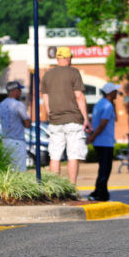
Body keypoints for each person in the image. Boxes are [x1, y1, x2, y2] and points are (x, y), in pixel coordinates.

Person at [41, 46, 92, 184]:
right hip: (73, 120)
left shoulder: (47, 75)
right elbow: (79, 96)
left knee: (55, 156)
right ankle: (71, 188)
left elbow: (45, 99)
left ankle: (54, 189)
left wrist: (50, 114)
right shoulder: (74, 73)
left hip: (55, 121)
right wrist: (86, 119)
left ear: (57, 58)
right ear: (69, 58)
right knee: (73, 155)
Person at [87, 82, 121, 202]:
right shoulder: (108, 106)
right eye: (115, 91)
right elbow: (102, 125)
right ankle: (98, 193)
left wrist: (92, 137)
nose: (117, 93)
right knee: (105, 169)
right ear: (110, 93)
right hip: (105, 142)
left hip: (99, 143)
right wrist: (93, 137)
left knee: (103, 168)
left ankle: (103, 193)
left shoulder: (99, 104)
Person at [0, 80, 31, 171]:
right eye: (19, 90)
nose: (20, 92)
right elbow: (27, 123)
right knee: (20, 169)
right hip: (17, 140)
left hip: (5, 140)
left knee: (8, 169)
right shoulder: (18, 104)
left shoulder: (1, 104)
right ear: (14, 91)